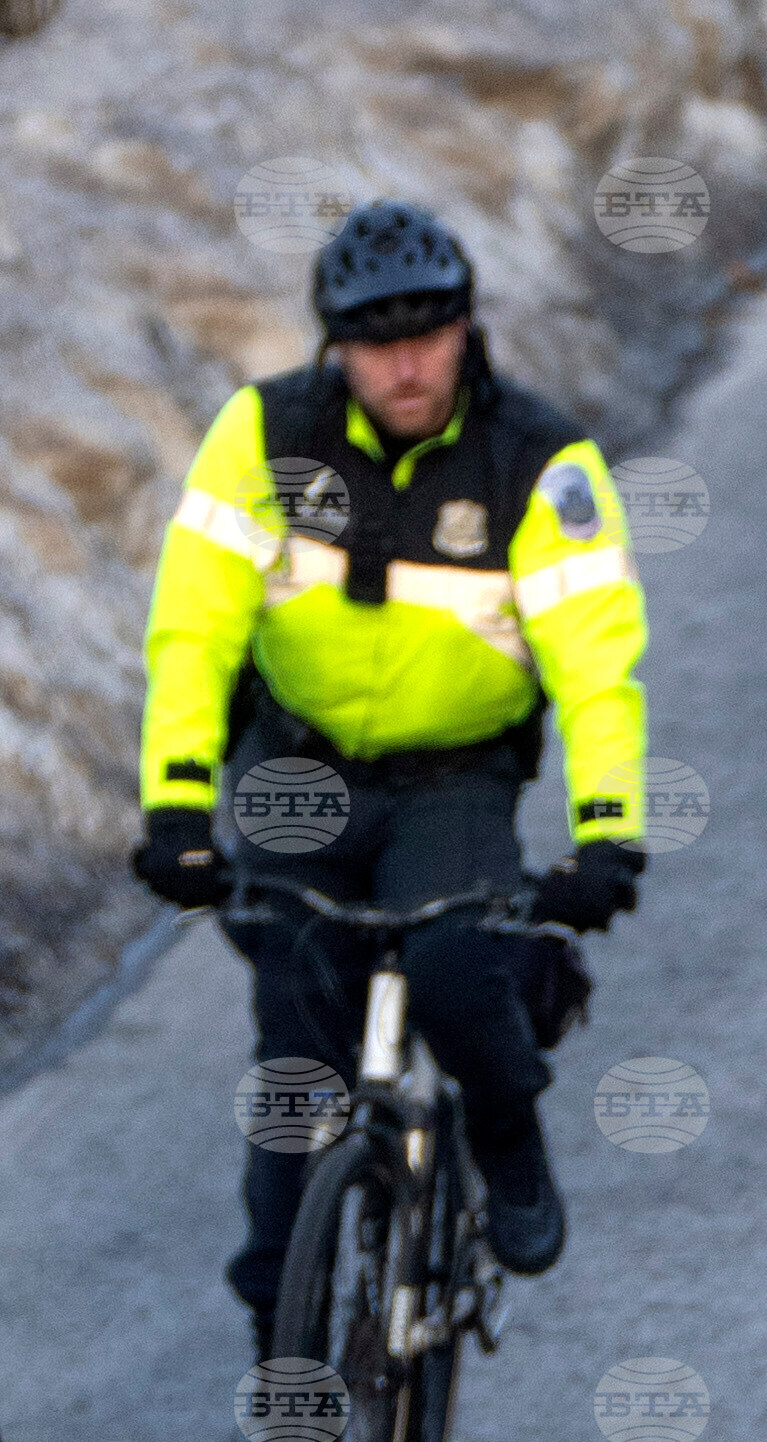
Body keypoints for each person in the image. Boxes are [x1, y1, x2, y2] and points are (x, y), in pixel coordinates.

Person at [134, 196, 645, 1344]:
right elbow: (193, 632)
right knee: (298, 1069)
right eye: (377, 340)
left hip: (453, 780)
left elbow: (599, 670)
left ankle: (507, 1136)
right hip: (297, 772)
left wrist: (607, 834)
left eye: (430, 333)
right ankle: (285, 1352)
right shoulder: (263, 437)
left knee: (458, 967)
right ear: (334, 344)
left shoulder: (537, 461)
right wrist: (174, 803)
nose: (406, 365)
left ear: (469, 328)